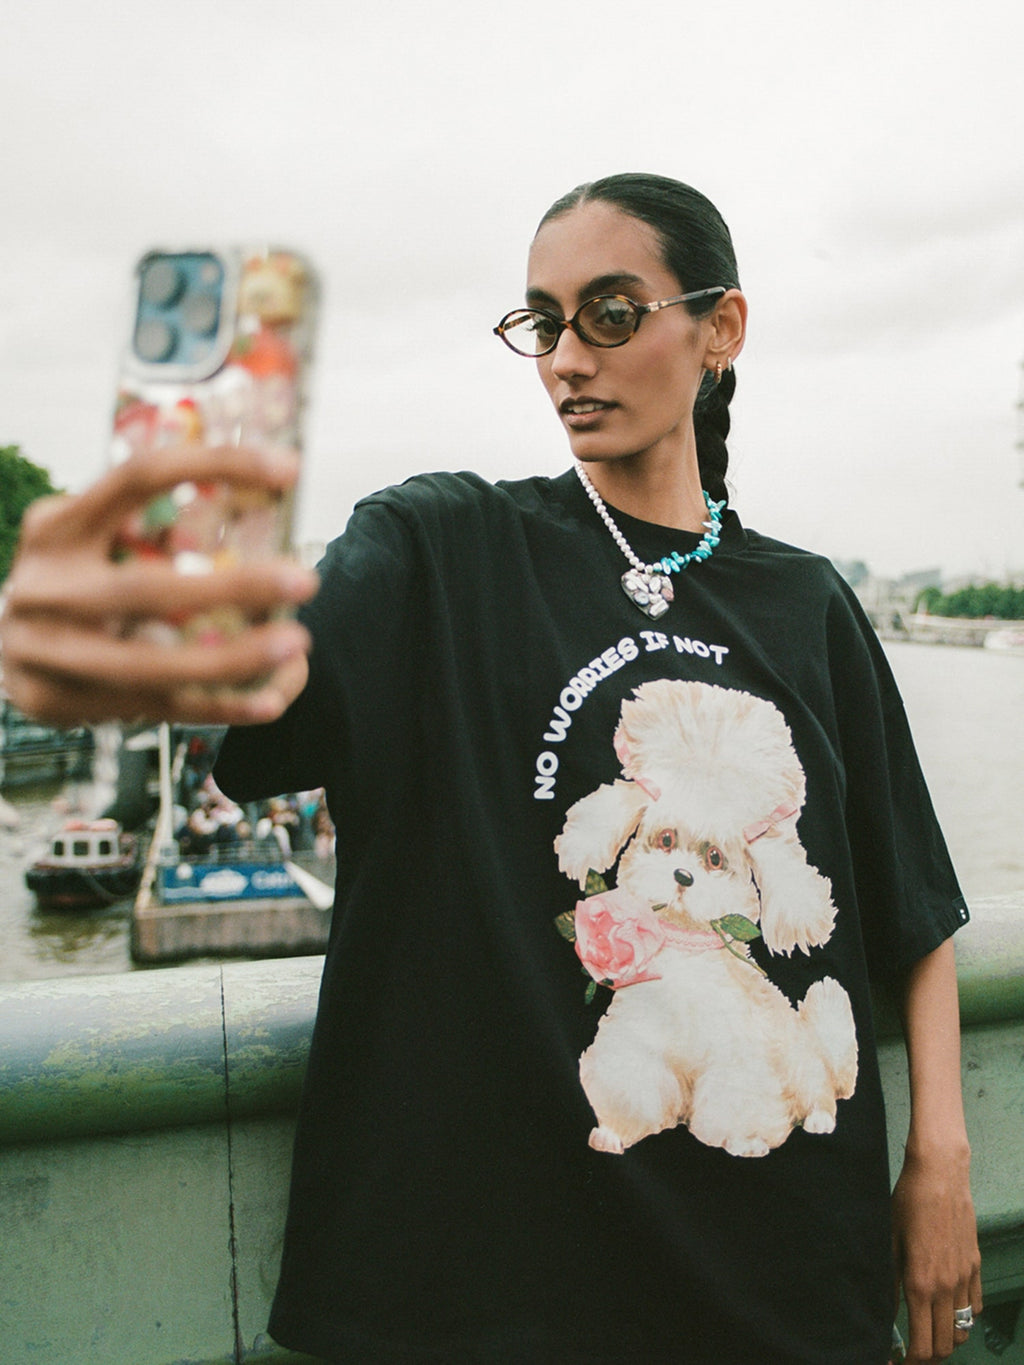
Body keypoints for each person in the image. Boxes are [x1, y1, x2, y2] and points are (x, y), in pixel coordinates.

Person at [0, 173, 982, 1364]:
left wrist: (938, 1163)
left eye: (609, 314)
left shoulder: (808, 602)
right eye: (543, 322)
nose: (566, 358)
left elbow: (910, 907)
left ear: (719, 328)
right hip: (496, 1292)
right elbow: (244, 681)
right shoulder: (440, 548)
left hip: (784, 1278)